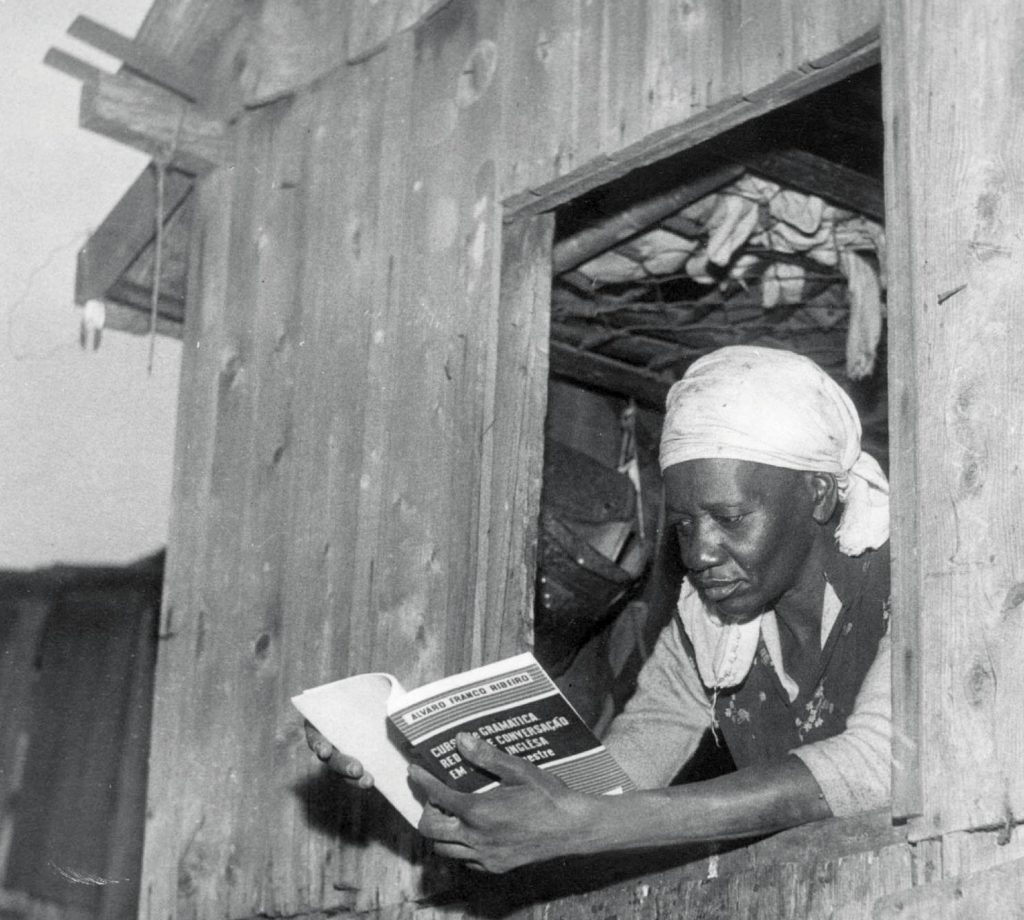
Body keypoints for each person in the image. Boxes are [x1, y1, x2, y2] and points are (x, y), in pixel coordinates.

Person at [306, 345, 892, 873]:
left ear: (817, 493)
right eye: (685, 526)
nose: (702, 553)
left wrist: (588, 827)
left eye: (732, 519)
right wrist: (407, 763)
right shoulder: (710, 628)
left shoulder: (915, 576)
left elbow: (877, 764)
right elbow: (609, 790)